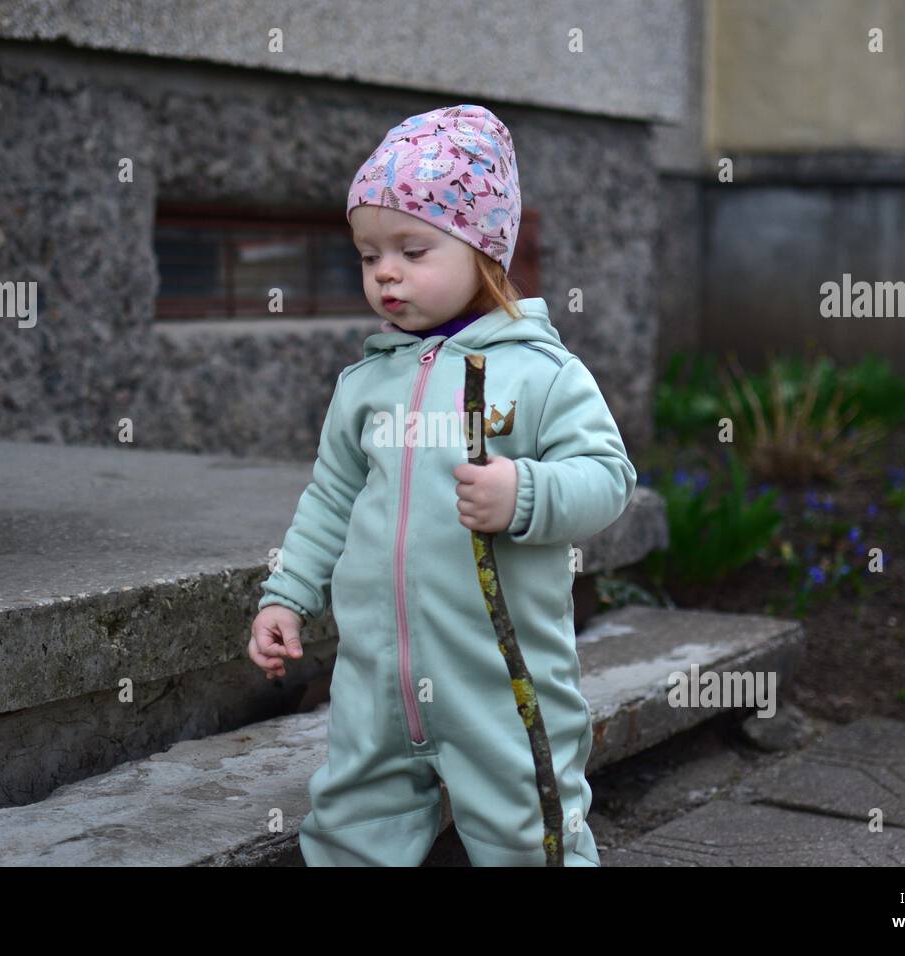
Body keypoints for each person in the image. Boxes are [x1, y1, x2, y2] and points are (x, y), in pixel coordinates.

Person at [247, 104, 636, 866]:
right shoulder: (365, 385)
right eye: (368, 255)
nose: (386, 271)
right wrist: (286, 596)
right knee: (351, 831)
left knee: (531, 834)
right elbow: (329, 498)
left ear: (485, 249)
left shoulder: (542, 373)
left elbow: (608, 479)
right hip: (376, 681)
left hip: (498, 681)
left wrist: (523, 494)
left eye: (412, 249)